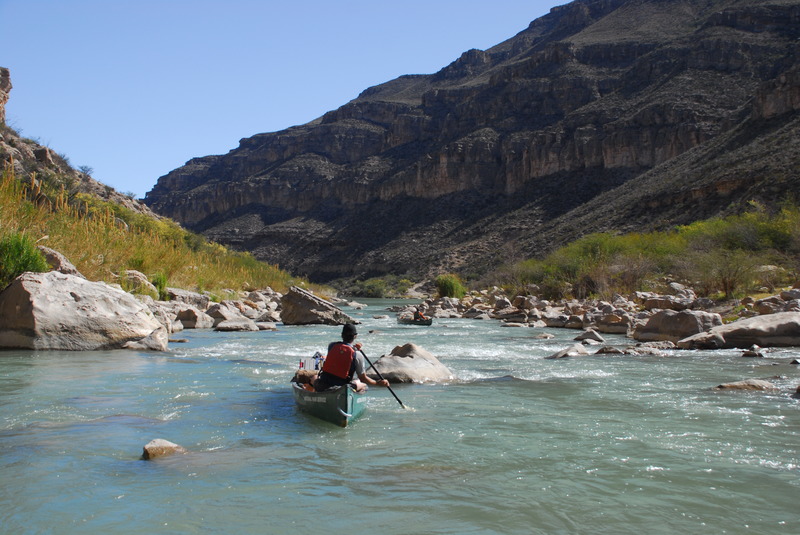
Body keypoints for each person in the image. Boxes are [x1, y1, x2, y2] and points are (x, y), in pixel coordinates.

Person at [314, 323, 390, 393]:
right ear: (355, 336)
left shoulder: (331, 346)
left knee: (314, 377)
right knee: (363, 385)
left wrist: (353, 348)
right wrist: (377, 383)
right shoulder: (357, 354)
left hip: (321, 385)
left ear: (342, 335)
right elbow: (363, 379)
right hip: (340, 389)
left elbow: (342, 351)